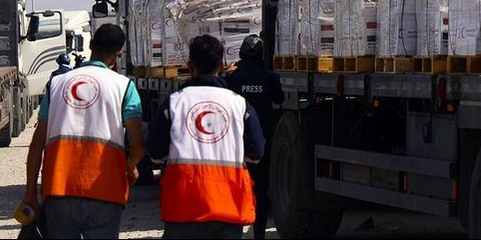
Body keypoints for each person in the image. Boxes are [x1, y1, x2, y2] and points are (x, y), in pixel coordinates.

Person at [22, 23, 145, 239]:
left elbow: (37, 144)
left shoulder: (57, 84)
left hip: (59, 188)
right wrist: (130, 166)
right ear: (117, 56)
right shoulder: (124, 86)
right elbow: (138, 143)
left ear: (90, 45)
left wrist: (30, 192)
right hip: (105, 190)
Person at [148, 34, 265, 239]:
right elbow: (256, 152)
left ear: (190, 66)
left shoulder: (174, 103)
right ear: (222, 65)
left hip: (183, 208)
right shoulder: (239, 104)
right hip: (229, 207)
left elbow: (155, 152)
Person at [225, 34, 285, 240]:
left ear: (240, 54)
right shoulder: (269, 78)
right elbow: (280, 98)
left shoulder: (231, 79)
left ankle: (235, 230)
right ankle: (259, 233)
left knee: (235, 187)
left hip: (235, 144)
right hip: (261, 143)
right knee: (260, 189)